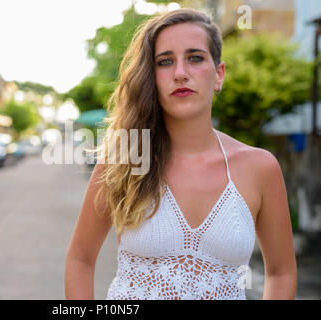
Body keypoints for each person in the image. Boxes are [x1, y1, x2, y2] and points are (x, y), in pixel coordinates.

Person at [64, 8, 297, 300]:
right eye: (165, 62)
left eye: (195, 58)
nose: (180, 73)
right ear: (152, 76)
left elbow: (281, 272)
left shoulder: (260, 168)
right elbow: (80, 260)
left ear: (219, 75)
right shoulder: (126, 158)